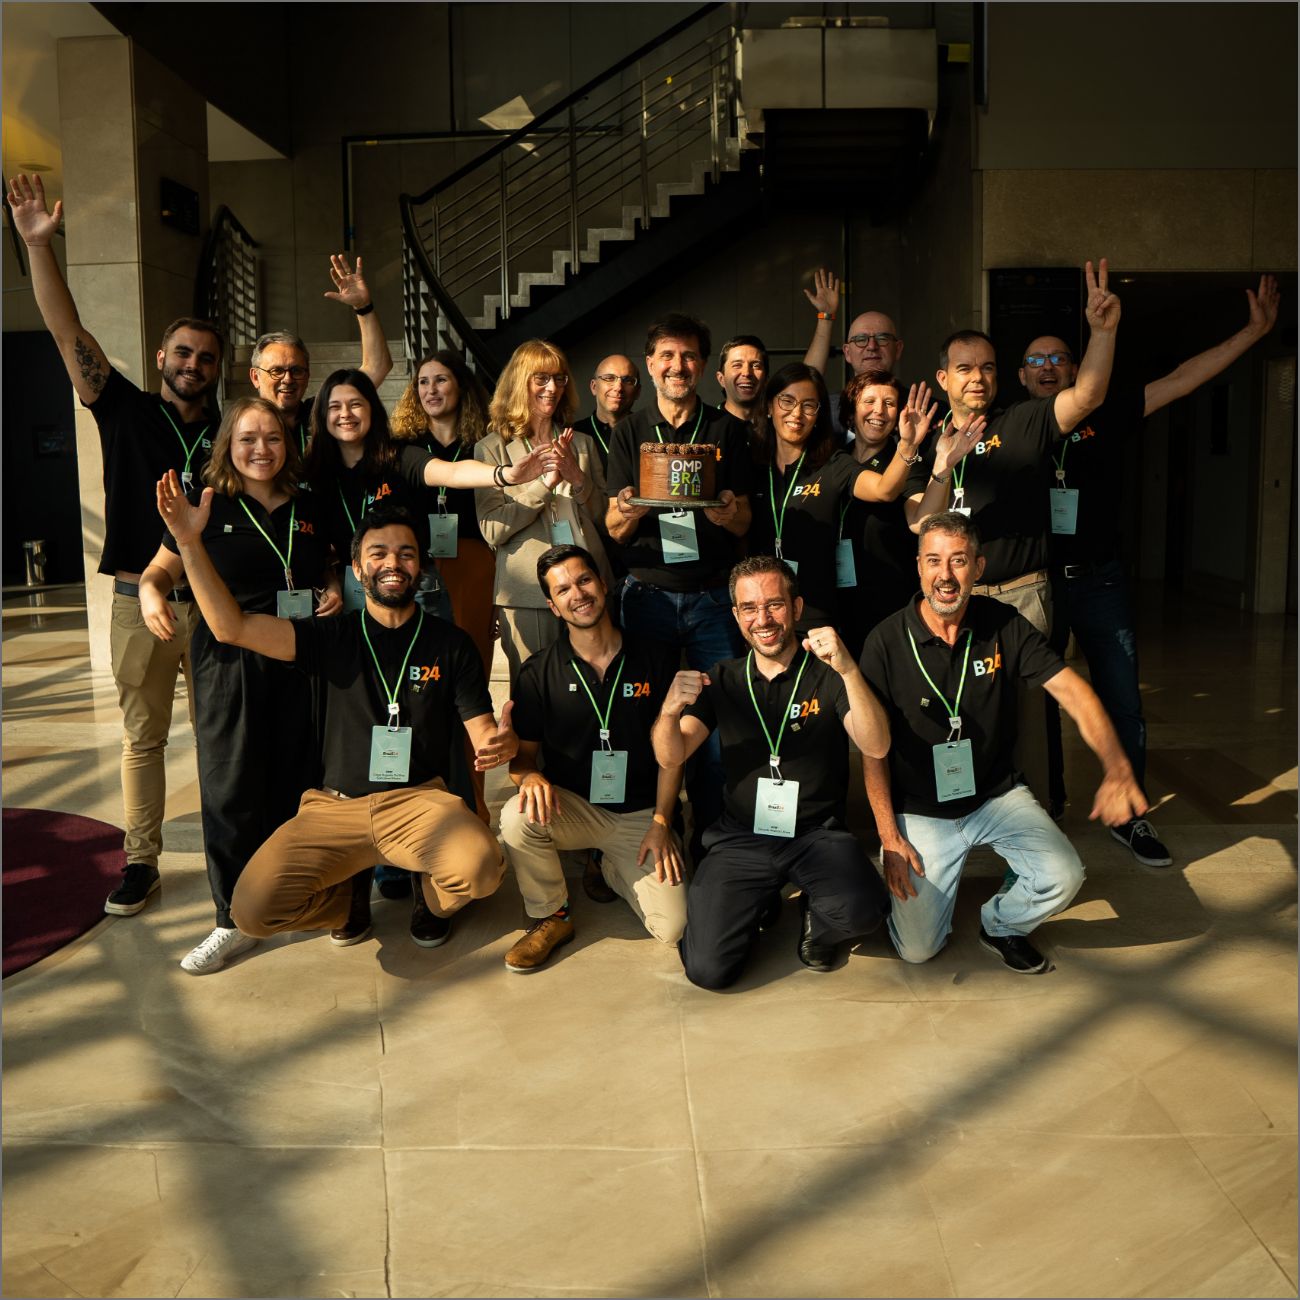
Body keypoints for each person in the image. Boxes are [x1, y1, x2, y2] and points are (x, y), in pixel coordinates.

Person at [155, 491, 519, 956]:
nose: (393, 563)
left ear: (420, 567)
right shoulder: (327, 637)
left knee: (482, 868)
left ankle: (426, 897)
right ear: (357, 567)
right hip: (334, 808)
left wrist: (499, 743)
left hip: (419, 801)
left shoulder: (450, 645)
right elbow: (232, 628)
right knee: (252, 910)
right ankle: (344, 904)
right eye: (379, 553)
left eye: (406, 554)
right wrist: (187, 542)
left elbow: (482, 731)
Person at [7, 172, 224, 917]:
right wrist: (38, 247)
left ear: (219, 370)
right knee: (144, 741)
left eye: (205, 358)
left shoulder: (234, 434)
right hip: (140, 603)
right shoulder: (123, 409)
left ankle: (236, 846)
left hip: (217, 606)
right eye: (182, 353)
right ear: (162, 357)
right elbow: (68, 333)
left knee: (222, 737)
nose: (192, 365)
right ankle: (141, 860)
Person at [1025, 273, 1280, 867]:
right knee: (1034, 703)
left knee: (1121, 696)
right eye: (1035, 359)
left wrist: (1252, 332)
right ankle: (1043, 807)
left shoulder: (1109, 412)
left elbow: (1187, 377)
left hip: (1100, 581)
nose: (1047, 366)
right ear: (1020, 375)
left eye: (1058, 358)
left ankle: (1130, 815)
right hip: (1036, 585)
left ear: (1075, 370)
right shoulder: (1012, 429)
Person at [860, 513, 1146, 974]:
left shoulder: (1004, 625)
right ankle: (909, 903)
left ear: (979, 567)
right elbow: (872, 752)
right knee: (918, 950)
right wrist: (889, 837)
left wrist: (1117, 767)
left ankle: (1001, 924)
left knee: (1065, 874)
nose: (945, 575)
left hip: (996, 794)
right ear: (918, 567)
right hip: (920, 807)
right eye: (934, 561)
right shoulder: (885, 641)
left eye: (958, 561)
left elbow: (1073, 691)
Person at [138, 398, 339, 972]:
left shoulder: (307, 504)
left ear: (288, 443)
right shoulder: (208, 505)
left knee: (300, 778)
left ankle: (303, 898)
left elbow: (319, 564)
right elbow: (161, 568)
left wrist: (327, 583)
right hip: (228, 661)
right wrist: (152, 592)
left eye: (272, 437)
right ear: (227, 443)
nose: (261, 449)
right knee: (230, 787)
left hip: (299, 654)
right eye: (248, 438)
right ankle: (231, 919)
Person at [652, 556, 892, 989]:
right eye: (749, 608)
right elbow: (672, 755)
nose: (762, 619)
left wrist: (850, 669)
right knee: (707, 971)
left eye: (774, 605)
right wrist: (669, 713)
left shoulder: (829, 672)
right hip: (741, 834)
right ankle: (755, 903)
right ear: (736, 616)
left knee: (862, 911)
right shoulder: (721, 678)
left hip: (816, 834)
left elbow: (875, 744)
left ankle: (815, 919)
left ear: (797, 608)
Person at [604, 312, 755, 858]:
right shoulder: (629, 431)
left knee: (715, 725)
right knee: (646, 716)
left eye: (689, 356)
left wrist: (728, 515)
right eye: (667, 356)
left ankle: (711, 839)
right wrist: (629, 508)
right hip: (646, 596)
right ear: (650, 364)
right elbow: (613, 527)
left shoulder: (727, 431)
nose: (678, 366)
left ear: (703, 365)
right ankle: (648, 830)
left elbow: (745, 522)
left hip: (715, 597)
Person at [499, 544, 686, 972]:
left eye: (584, 580)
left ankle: (607, 864)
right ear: (552, 605)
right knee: (515, 816)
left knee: (673, 927)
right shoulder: (538, 672)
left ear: (603, 584)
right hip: (574, 808)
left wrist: (662, 820)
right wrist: (528, 778)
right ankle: (552, 915)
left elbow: (673, 757)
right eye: (563, 589)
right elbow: (523, 760)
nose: (577, 594)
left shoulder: (656, 657)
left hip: (641, 814)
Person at [746, 362, 982, 631]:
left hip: (882, 602)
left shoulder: (905, 463)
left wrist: (938, 463)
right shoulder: (830, 458)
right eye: (869, 401)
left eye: (889, 403)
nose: (878, 411)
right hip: (832, 601)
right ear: (850, 411)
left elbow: (919, 520)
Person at [305, 367, 555, 619]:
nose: (345, 414)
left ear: (372, 409)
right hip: (356, 589)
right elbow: (320, 550)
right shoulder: (316, 474)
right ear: (323, 415)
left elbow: (452, 473)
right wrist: (332, 583)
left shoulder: (399, 457)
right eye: (335, 406)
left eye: (355, 404)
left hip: (414, 587)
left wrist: (506, 475)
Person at [475, 339, 611, 685]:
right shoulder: (490, 448)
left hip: (587, 586)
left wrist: (578, 478)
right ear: (520, 382)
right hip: (528, 594)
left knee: (593, 685)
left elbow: (603, 519)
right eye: (541, 379)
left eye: (560, 379)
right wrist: (544, 485)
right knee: (536, 693)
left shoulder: (581, 444)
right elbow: (492, 529)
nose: (553, 388)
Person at [247, 253, 393, 459]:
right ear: (255, 377)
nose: (287, 379)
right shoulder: (243, 425)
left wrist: (363, 307)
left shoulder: (322, 411)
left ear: (307, 375)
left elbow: (377, 366)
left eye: (296, 370)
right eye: (276, 371)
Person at [802, 268, 905, 385]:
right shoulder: (834, 403)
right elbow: (804, 387)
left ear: (898, 349)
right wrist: (826, 317)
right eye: (861, 339)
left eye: (882, 339)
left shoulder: (919, 403)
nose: (872, 346)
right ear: (847, 353)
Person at [582, 355, 641, 470]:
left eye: (627, 380)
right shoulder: (575, 434)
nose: (618, 387)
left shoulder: (649, 432)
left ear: (638, 391)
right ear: (594, 387)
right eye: (609, 378)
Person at [715, 334, 768, 446]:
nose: (747, 373)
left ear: (766, 380)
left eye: (756, 365)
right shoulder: (708, 427)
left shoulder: (778, 429)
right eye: (737, 365)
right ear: (721, 379)